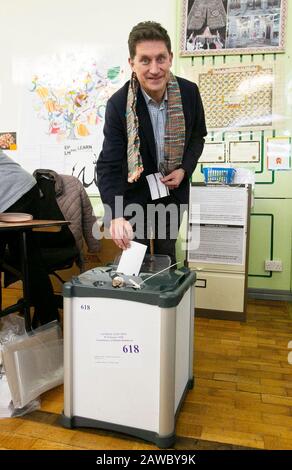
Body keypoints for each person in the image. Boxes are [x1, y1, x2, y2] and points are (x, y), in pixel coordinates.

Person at [96, 21, 207, 263]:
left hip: (173, 192)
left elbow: (198, 137)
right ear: (132, 63)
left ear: (170, 58)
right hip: (134, 194)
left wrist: (184, 170)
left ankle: (167, 300)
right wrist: (115, 215)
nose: (154, 69)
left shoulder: (189, 93)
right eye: (145, 60)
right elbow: (109, 165)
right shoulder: (118, 104)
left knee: (167, 253)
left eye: (160, 59)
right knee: (136, 258)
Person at [0, 151, 59, 327]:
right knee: (29, 259)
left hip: (12, 193)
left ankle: (49, 323)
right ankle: (50, 323)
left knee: (28, 259)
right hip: (24, 189)